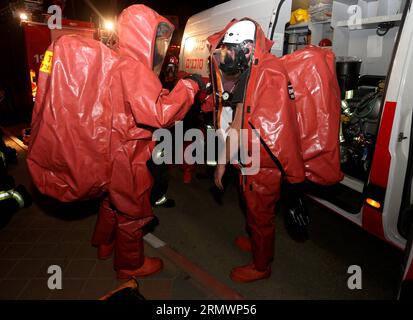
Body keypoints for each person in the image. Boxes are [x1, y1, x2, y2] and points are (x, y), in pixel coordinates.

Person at [27, 5, 205, 279]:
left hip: (110, 151)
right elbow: (160, 114)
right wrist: (190, 86)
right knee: (133, 214)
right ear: (143, 35)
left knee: (111, 203)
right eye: (157, 38)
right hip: (128, 155)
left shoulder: (115, 61)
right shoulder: (134, 68)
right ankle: (130, 265)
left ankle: (104, 244)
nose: (160, 45)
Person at [206, 19, 342, 282]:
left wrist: (295, 183)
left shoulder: (269, 74)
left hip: (264, 167)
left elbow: (283, 134)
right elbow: (237, 120)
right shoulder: (250, 72)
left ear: (247, 48)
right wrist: (223, 162)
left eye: (229, 51)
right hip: (249, 163)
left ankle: (261, 265)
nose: (225, 58)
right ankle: (256, 240)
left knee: (260, 215)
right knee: (252, 210)